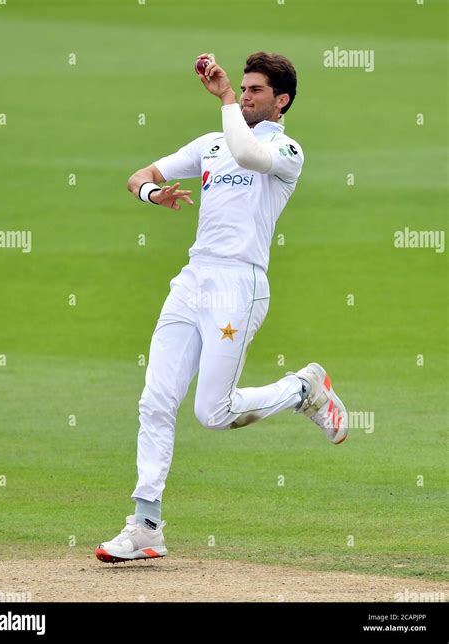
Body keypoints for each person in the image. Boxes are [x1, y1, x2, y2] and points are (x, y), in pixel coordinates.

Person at [95, 52, 348, 564]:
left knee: (212, 413)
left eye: (258, 90)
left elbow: (249, 156)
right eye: (245, 88)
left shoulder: (286, 150)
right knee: (155, 400)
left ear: (282, 101)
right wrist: (151, 193)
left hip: (239, 285)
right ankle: (146, 524)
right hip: (193, 280)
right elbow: (138, 173)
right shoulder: (212, 143)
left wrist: (228, 99)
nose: (248, 95)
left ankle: (302, 389)